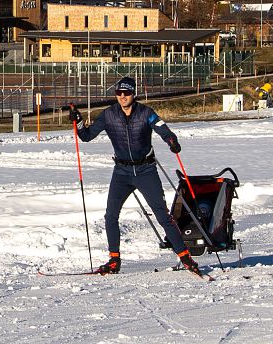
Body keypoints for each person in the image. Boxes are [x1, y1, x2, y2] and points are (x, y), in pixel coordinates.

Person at [68, 75, 202, 276]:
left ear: (134, 93)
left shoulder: (146, 113)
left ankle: (185, 257)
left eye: (127, 93)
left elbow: (162, 128)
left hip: (145, 170)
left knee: (163, 216)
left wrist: (171, 140)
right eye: (119, 93)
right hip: (121, 172)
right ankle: (114, 260)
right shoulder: (108, 115)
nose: (122, 97)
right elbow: (87, 137)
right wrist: (78, 123)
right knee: (110, 216)